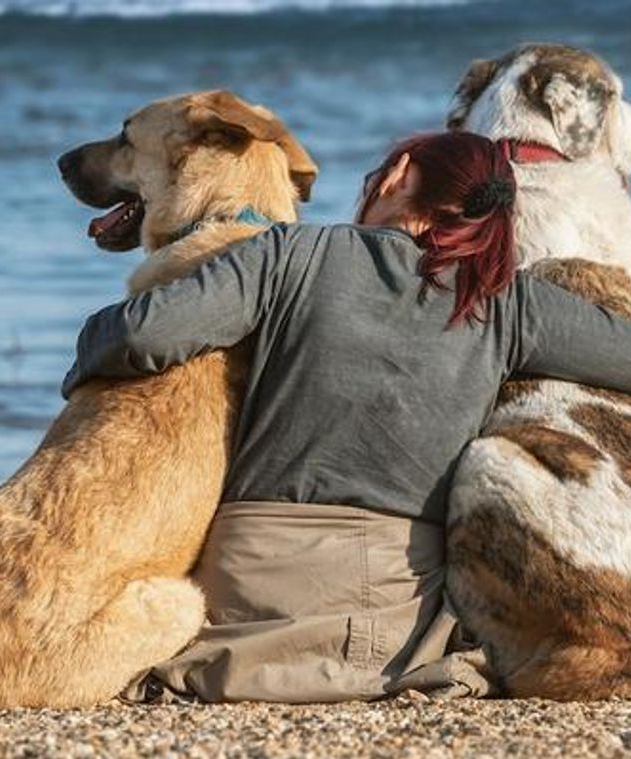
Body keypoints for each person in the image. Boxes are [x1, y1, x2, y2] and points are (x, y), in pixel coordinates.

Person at [62, 131, 631, 703]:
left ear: (399, 175)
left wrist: (82, 362)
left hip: (243, 589)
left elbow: (140, 333)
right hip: (385, 621)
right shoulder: (508, 304)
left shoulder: (290, 252)